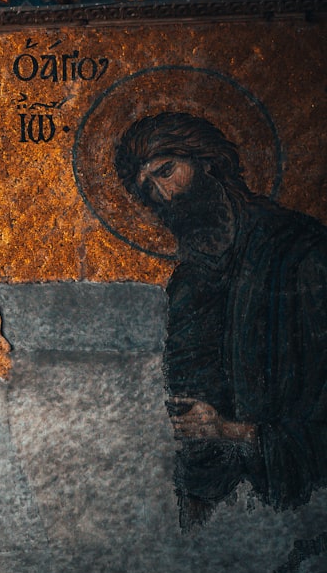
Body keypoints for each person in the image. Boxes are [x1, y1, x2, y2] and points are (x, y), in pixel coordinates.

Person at [114, 112, 327, 529]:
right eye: (147, 189)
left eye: (166, 171)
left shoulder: (301, 251)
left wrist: (231, 431)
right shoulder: (186, 286)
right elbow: (186, 399)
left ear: (208, 161)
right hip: (220, 511)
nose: (163, 196)